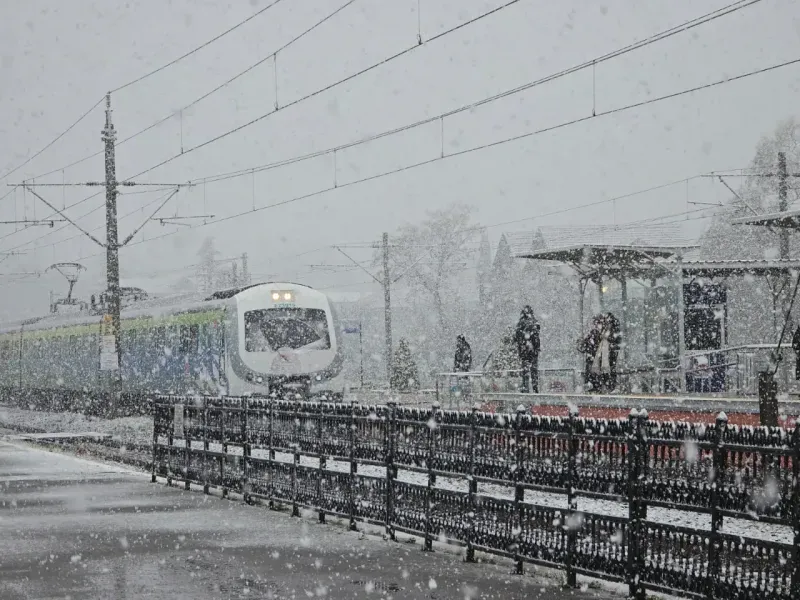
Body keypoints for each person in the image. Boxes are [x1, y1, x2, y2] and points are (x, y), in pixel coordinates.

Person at [514, 305, 541, 393]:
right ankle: (535, 389)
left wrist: (521, 347)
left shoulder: (521, 323)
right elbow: (536, 337)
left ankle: (525, 388)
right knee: (534, 371)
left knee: (525, 372)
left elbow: (516, 337)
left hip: (524, 351)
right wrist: (536, 348)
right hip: (533, 351)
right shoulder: (534, 322)